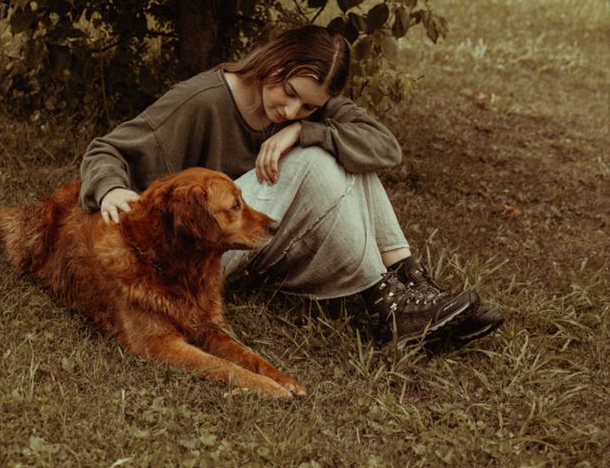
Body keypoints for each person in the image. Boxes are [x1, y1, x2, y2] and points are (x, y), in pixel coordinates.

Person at [79, 25, 503, 348]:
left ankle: (410, 283)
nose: (292, 110)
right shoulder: (203, 100)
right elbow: (107, 149)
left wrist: (304, 130)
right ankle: (387, 301)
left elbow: (384, 147)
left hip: (253, 242)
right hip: (189, 257)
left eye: (309, 106)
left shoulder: (306, 109)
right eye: (289, 93)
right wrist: (111, 189)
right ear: (275, 62)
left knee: (348, 153)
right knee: (315, 161)